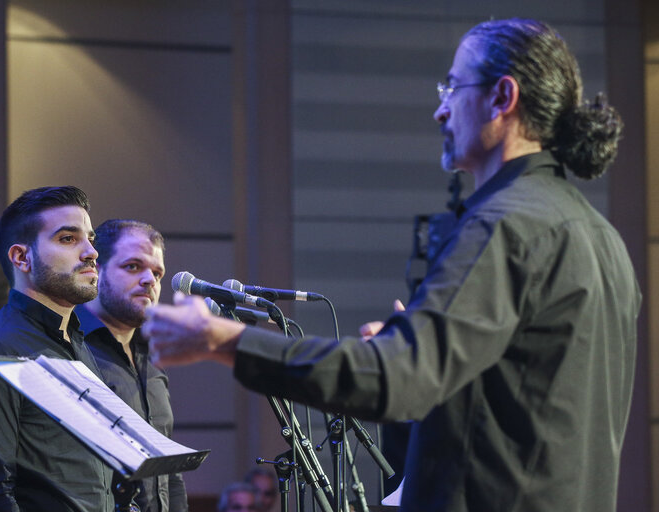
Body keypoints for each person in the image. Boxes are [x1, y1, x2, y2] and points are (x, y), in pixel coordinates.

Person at [143, 18, 641, 512]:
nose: (440, 111)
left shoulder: (504, 226)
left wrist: (223, 339)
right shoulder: (604, 239)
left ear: (501, 97)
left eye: (452, 87)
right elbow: (531, 410)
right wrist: (426, 347)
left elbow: (394, 380)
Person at [0, 186, 114, 511]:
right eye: (68, 238)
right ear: (22, 257)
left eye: (90, 238)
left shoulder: (77, 340)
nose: (91, 251)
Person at [76, 219, 187, 512]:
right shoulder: (69, 348)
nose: (150, 280)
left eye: (158, 273)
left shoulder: (153, 356)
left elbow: (168, 469)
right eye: (133, 267)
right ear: (96, 270)